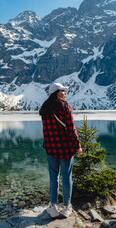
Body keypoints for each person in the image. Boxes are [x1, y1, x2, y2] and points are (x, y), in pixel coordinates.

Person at [39, 82, 83, 218]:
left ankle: (52, 206)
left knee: (53, 177)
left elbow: (46, 131)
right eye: (61, 91)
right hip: (65, 149)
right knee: (66, 176)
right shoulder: (65, 107)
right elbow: (71, 129)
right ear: (55, 93)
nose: (64, 93)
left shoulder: (44, 109)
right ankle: (66, 206)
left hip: (51, 149)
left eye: (64, 91)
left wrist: (47, 144)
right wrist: (78, 146)